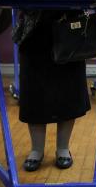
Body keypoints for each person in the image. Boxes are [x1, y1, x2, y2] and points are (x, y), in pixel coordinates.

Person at [13, 10, 90, 172]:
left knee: (68, 90)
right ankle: (36, 150)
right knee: (34, 91)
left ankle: (63, 148)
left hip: (69, 27)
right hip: (34, 29)